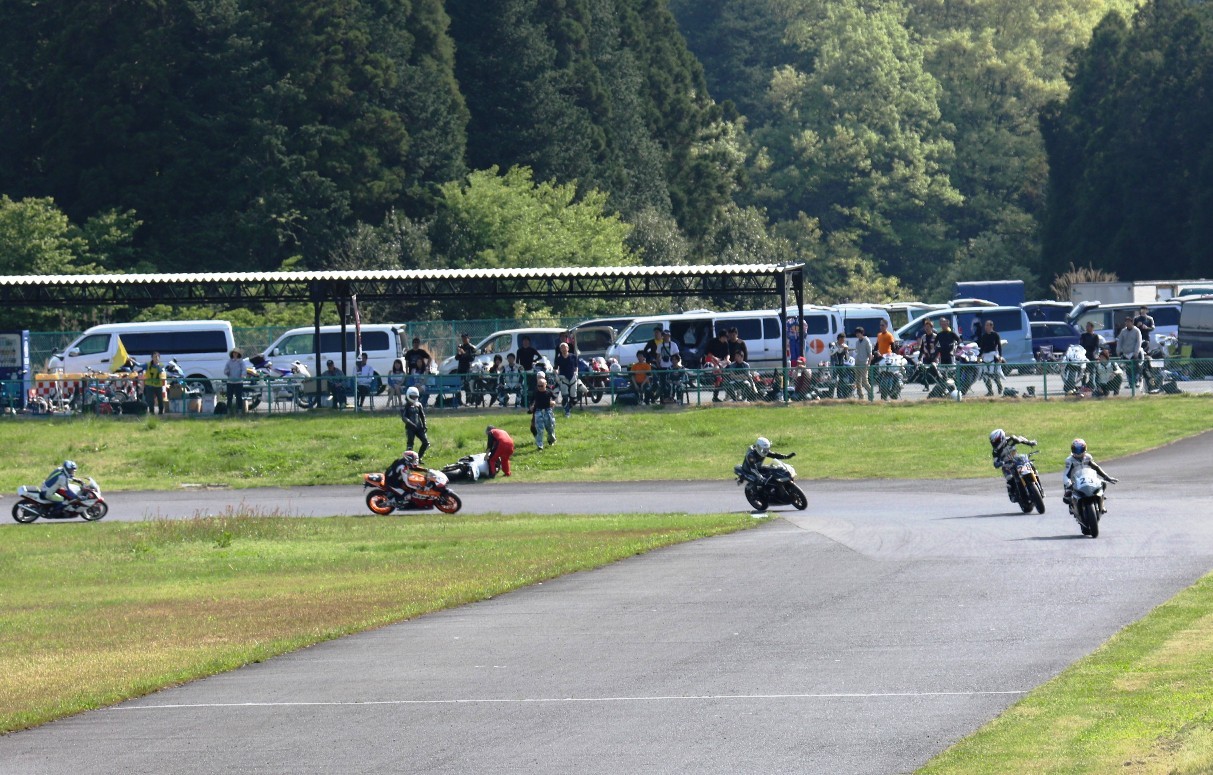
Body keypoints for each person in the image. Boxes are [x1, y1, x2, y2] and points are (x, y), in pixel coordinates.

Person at [1062, 438, 1118, 512]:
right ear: (1072, 450)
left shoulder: (1088, 457)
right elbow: (1066, 474)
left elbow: (1096, 467)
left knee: (1103, 483)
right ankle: (1072, 506)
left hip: (1088, 478)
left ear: (1085, 449)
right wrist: (1068, 484)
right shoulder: (1069, 460)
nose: (1078, 453)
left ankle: (1102, 504)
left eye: (1080, 450)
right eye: (1076, 450)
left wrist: (1107, 477)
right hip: (1075, 481)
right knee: (1067, 496)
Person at [989, 429, 1037, 502]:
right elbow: (995, 462)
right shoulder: (996, 451)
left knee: (1030, 463)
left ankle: (1036, 479)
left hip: (1017, 460)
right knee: (1010, 477)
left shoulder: (1011, 440)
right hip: (1007, 465)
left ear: (1001, 437)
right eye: (993, 442)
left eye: (996, 441)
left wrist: (1029, 442)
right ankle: (1013, 493)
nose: (995, 443)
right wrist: (999, 463)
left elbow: (1021, 439)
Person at [399, 385, 429, 460]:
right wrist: (410, 423)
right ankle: (408, 460)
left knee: (425, 443)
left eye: (415, 396)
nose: (414, 398)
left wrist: (424, 424)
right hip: (410, 428)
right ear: (408, 396)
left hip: (419, 427)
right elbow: (404, 417)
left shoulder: (419, 405)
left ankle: (419, 458)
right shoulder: (405, 406)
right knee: (410, 445)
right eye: (412, 396)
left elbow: (422, 415)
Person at [977, 319, 1004, 396]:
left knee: (994, 373)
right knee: (985, 374)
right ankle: (990, 391)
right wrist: (979, 357)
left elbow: (999, 345)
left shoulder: (995, 335)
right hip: (985, 355)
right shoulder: (984, 336)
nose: (986, 327)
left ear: (991, 326)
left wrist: (1000, 356)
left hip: (993, 355)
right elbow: (982, 347)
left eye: (987, 325)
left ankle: (999, 386)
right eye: (985, 325)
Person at [529, 375, 557, 450]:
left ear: (545, 385)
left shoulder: (549, 392)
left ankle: (551, 440)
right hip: (538, 411)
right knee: (539, 429)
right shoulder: (536, 392)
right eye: (538, 386)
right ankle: (540, 445)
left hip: (548, 411)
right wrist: (531, 406)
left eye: (541, 386)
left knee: (550, 427)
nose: (540, 387)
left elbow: (554, 398)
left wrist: (553, 402)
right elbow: (531, 400)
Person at [553, 341, 579, 417]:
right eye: (562, 348)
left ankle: (568, 408)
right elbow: (555, 368)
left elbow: (576, 367)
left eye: (565, 348)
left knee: (574, 399)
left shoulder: (573, 356)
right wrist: (556, 375)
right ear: (560, 350)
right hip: (563, 378)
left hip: (572, 377)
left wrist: (576, 373)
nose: (564, 349)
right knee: (565, 397)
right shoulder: (558, 358)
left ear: (568, 348)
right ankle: (567, 412)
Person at [1116, 314, 1143, 387]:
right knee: (1128, 369)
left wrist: (1136, 352)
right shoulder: (1123, 331)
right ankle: (1130, 383)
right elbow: (1120, 341)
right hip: (1126, 353)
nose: (1127, 323)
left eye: (1128, 322)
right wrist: (1118, 350)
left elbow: (1139, 342)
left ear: (1132, 322)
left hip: (1134, 353)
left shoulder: (1137, 331)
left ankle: (1136, 381)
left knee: (1136, 368)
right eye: (1126, 322)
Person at [224, 349, 248, 414]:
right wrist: (227, 372)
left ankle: (239, 410)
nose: (235, 354)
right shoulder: (229, 362)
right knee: (229, 397)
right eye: (234, 353)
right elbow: (225, 370)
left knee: (239, 397)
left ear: (238, 354)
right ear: (232, 354)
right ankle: (228, 411)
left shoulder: (241, 362)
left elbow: (244, 369)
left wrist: (242, 375)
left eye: (236, 353)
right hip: (230, 382)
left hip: (239, 382)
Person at [455, 332, 477, 403]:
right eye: (463, 338)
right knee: (457, 385)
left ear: (468, 338)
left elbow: (471, 358)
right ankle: (458, 401)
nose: (464, 340)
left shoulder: (471, 347)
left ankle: (468, 401)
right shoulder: (461, 347)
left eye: (465, 338)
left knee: (467, 385)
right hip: (460, 368)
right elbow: (456, 358)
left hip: (467, 369)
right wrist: (459, 353)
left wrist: (464, 353)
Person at [853, 326, 872, 400]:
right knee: (858, 381)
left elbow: (870, 353)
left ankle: (871, 394)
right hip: (857, 362)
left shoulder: (866, 341)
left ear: (862, 333)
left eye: (859, 333)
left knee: (864, 381)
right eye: (856, 333)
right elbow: (857, 352)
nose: (857, 334)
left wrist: (869, 363)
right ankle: (861, 397)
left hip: (864, 363)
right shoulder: (857, 342)